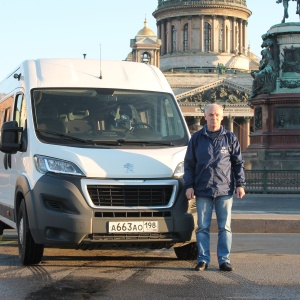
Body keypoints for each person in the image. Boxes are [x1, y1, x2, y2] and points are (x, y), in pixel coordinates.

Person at [183, 103, 246, 272]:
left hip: (224, 189)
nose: (214, 118)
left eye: (217, 115)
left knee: (224, 227)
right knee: (202, 227)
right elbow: (189, 165)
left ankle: (224, 260)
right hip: (202, 189)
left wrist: (240, 184)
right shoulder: (196, 138)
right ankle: (203, 259)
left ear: (222, 117)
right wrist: (189, 186)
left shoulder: (230, 137)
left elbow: (238, 163)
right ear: (205, 116)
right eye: (211, 115)